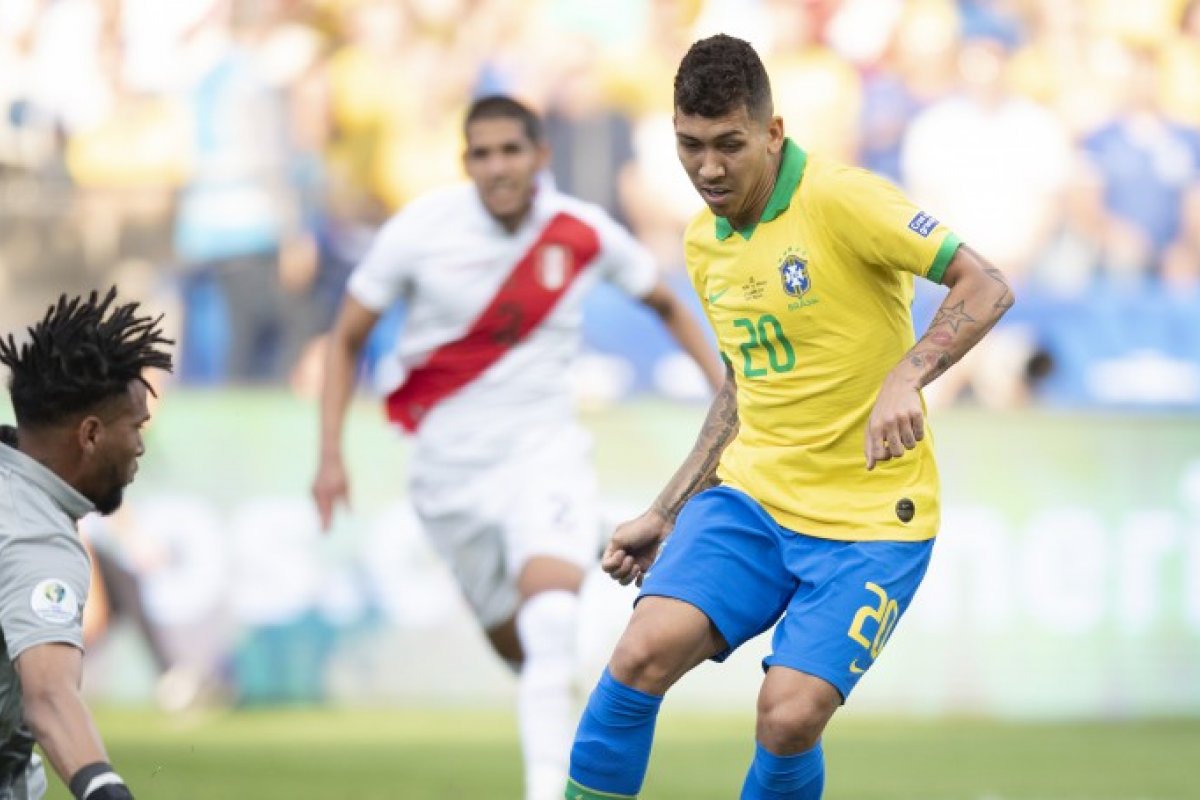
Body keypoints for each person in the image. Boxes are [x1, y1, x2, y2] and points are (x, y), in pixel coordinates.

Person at [565, 34, 1014, 800]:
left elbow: (986, 283)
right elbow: (745, 384)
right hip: (753, 499)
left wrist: (907, 376)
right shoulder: (704, 242)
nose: (707, 168)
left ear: (772, 132)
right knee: (641, 653)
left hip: (872, 518)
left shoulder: (845, 200)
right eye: (690, 146)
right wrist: (666, 509)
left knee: (788, 716)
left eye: (729, 145)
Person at [310, 94, 722, 800]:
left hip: (543, 452)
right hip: (447, 475)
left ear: (541, 156)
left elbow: (666, 304)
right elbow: (346, 338)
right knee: (528, 650)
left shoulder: (580, 230)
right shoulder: (420, 231)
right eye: (483, 153)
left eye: (511, 150)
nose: (498, 166)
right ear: (465, 162)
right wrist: (329, 454)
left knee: (551, 617)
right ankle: (582, 559)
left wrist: (727, 397)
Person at [0, 287, 173, 800]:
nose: (141, 445)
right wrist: (105, 789)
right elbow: (50, 696)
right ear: (91, 434)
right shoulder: (38, 540)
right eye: (136, 426)